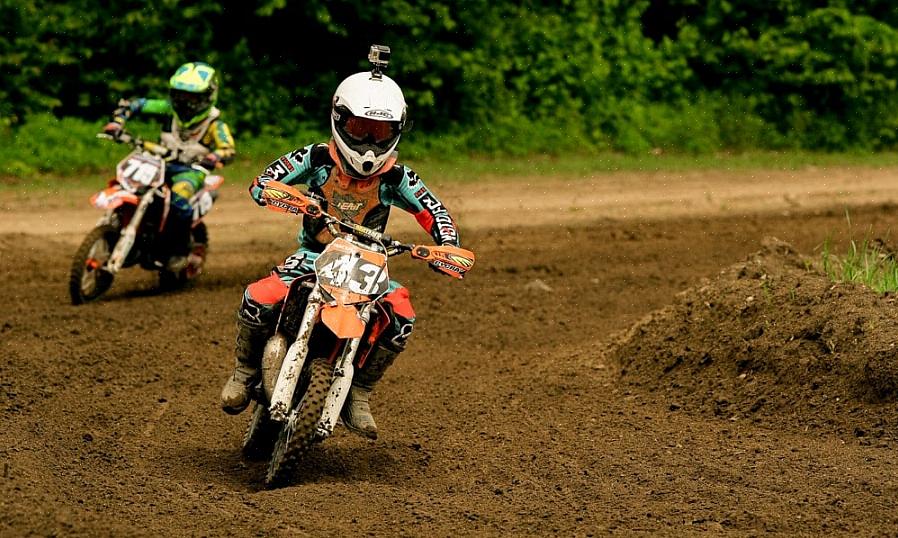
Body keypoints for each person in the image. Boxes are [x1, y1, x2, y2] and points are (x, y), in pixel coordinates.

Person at [220, 48, 461, 441]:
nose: (368, 143)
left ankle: (360, 392)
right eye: (360, 129)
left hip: (367, 265)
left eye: (379, 134)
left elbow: (435, 211)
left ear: (396, 132)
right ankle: (244, 372)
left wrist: (446, 246)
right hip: (313, 256)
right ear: (338, 120)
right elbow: (266, 179)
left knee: (401, 315)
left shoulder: (397, 178)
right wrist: (276, 193)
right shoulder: (315, 157)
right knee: (258, 296)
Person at [102, 61, 236, 271]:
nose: (184, 101)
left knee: (178, 201)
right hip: (158, 162)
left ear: (207, 96)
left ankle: (177, 251)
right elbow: (135, 104)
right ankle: (122, 229)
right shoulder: (168, 109)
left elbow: (228, 149)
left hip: (191, 170)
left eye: (191, 96)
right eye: (180, 94)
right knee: (128, 185)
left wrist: (213, 157)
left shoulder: (214, 124)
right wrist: (117, 122)